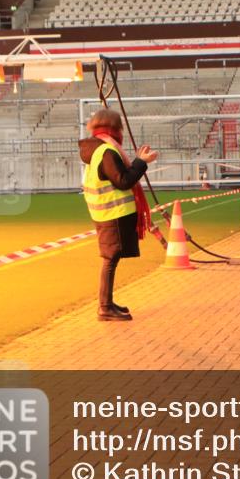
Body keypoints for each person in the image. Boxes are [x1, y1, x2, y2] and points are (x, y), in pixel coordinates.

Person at [79, 108, 158, 322]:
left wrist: (139, 162)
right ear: (115, 129)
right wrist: (141, 162)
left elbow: (118, 177)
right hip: (112, 214)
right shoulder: (107, 151)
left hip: (105, 213)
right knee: (110, 259)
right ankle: (104, 307)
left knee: (110, 259)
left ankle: (107, 303)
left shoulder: (98, 150)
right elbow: (123, 181)